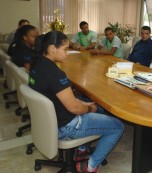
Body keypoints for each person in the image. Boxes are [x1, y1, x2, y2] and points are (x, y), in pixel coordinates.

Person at [29, 31, 124, 173]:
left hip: (50, 121)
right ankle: (90, 166)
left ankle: (81, 149)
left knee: (97, 108)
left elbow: (58, 96)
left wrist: (82, 103)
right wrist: (88, 109)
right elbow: (74, 108)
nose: (67, 53)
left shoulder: (36, 65)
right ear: (52, 48)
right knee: (117, 126)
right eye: (65, 49)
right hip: (66, 125)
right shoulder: (54, 73)